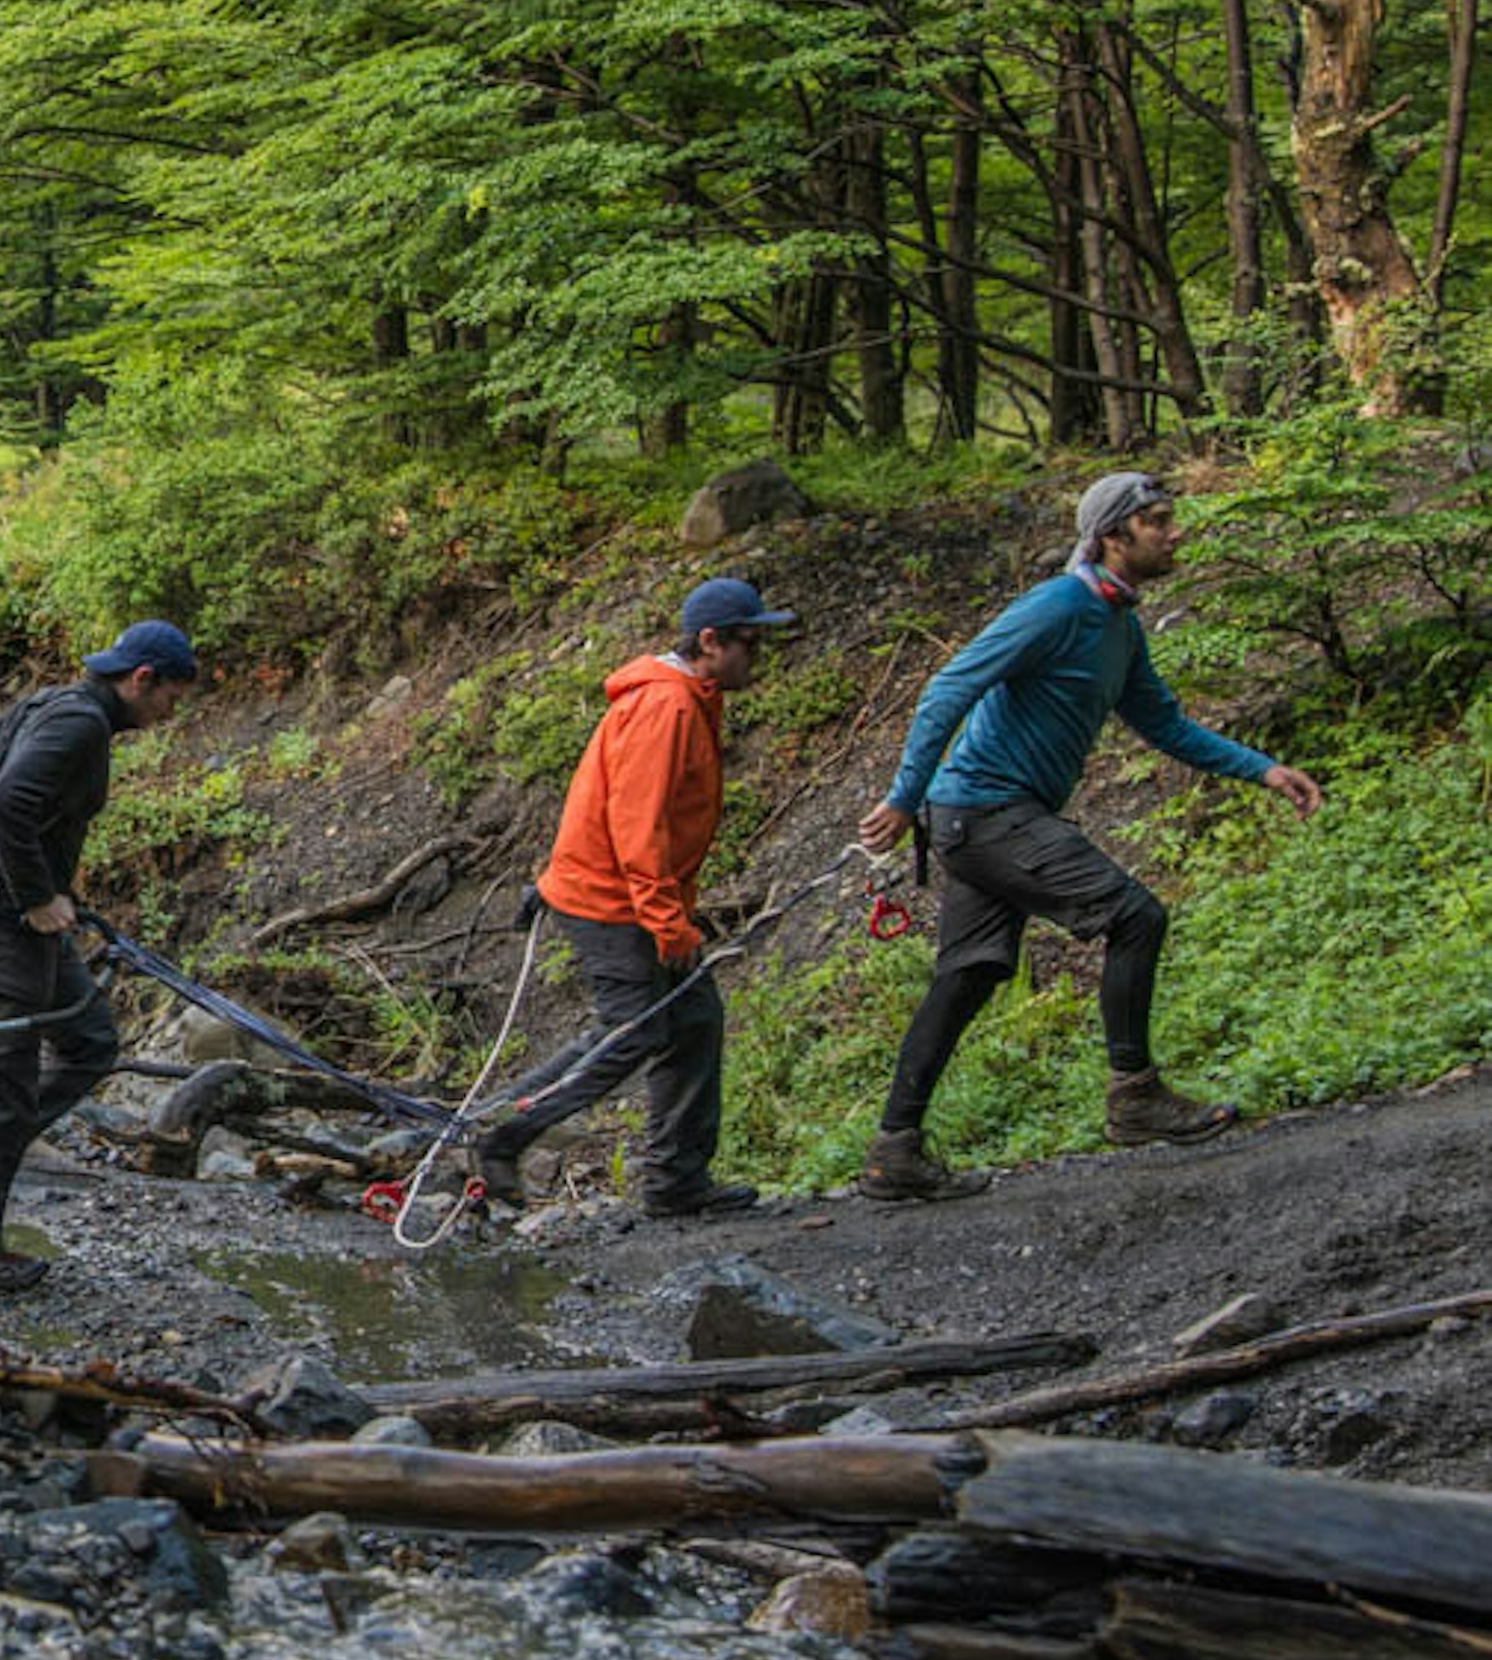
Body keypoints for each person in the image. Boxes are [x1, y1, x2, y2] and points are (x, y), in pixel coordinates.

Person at [851, 470, 1325, 1202]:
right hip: (985, 812)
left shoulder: (1119, 625)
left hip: (992, 816)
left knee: (968, 975)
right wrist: (903, 797)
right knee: (1135, 915)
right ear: (1113, 536)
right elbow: (950, 687)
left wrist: (1261, 770)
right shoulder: (1057, 606)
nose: (1175, 533)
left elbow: (1163, 724)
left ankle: (894, 1151)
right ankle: (1133, 1095)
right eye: (1159, 521)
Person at [461, 578, 795, 1224]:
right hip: (609, 900)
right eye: (750, 642)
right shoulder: (664, 708)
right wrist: (667, 923)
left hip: (630, 896)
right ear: (710, 642)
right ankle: (498, 1134)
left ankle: (675, 1181)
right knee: (631, 1030)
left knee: (694, 1021)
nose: (759, 655)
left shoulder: (691, 698)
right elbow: (637, 827)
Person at [0, 619, 198, 1296]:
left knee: (89, 1042)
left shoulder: (55, 705)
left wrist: (2, 864)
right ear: (142, 679)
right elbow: (6, 798)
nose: (171, 713)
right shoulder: (76, 724)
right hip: (4, 927)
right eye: (171, 698)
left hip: (18, 920)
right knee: (0, 1091)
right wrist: (32, 889)